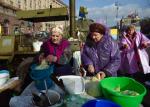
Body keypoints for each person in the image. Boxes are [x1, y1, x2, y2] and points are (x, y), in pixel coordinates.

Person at [9, 25, 74, 107]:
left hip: (60, 72)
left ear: (61, 36)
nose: (55, 38)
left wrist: (56, 59)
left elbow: (67, 59)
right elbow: (39, 54)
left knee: (60, 94)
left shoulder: (65, 45)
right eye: (53, 36)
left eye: (57, 36)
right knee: (30, 69)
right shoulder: (46, 44)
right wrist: (40, 56)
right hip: (46, 73)